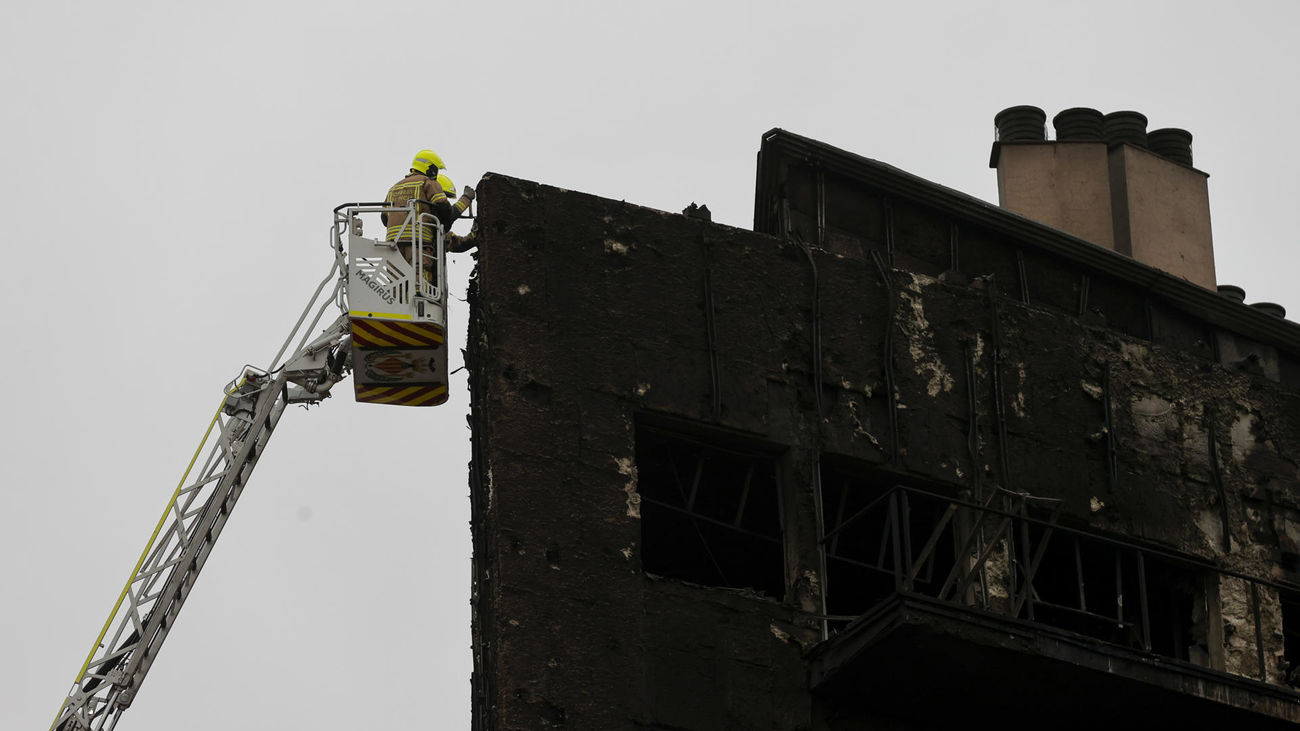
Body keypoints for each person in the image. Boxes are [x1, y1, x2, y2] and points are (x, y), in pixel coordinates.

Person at [380, 150, 477, 281]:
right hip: (419, 247)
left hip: (393, 249)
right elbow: (446, 212)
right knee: (419, 287)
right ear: (430, 168)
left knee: (396, 291)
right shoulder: (428, 183)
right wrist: (466, 199)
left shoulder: (393, 189)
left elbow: (384, 219)